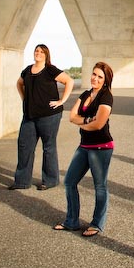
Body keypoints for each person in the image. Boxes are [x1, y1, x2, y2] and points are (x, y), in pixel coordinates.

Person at [53, 62, 115, 237]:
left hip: (101, 147)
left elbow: (99, 125)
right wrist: (88, 121)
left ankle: (97, 224)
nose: (95, 78)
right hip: (84, 145)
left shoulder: (106, 97)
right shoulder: (86, 94)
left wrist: (84, 122)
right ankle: (72, 221)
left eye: (100, 76)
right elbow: (71, 116)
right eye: (94, 74)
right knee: (69, 182)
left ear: (106, 80)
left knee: (100, 186)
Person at [9, 44, 74, 191]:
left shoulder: (50, 69)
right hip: (29, 116)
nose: (38, 53)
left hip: (49, 115)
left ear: (46, 55)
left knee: (48, 147)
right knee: (24, 146)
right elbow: (19, 83)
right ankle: (22, 182)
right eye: (36, 51)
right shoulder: (27, 70)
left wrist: (61, 101)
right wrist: (24, 98)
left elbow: (69, 81)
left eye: (41, 51)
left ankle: (50, 180)